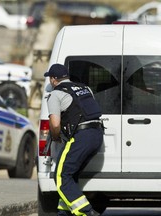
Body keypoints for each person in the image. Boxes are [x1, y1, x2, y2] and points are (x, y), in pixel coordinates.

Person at [44, 63, 104, 216]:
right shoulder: (85, 88)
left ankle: (87, 212)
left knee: (61, 175)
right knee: (71, 174)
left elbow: (55, 124)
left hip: (81, 137)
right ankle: (64, 213)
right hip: (97, 135)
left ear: (52, 79)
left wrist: (56, 137)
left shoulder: (56, 95)